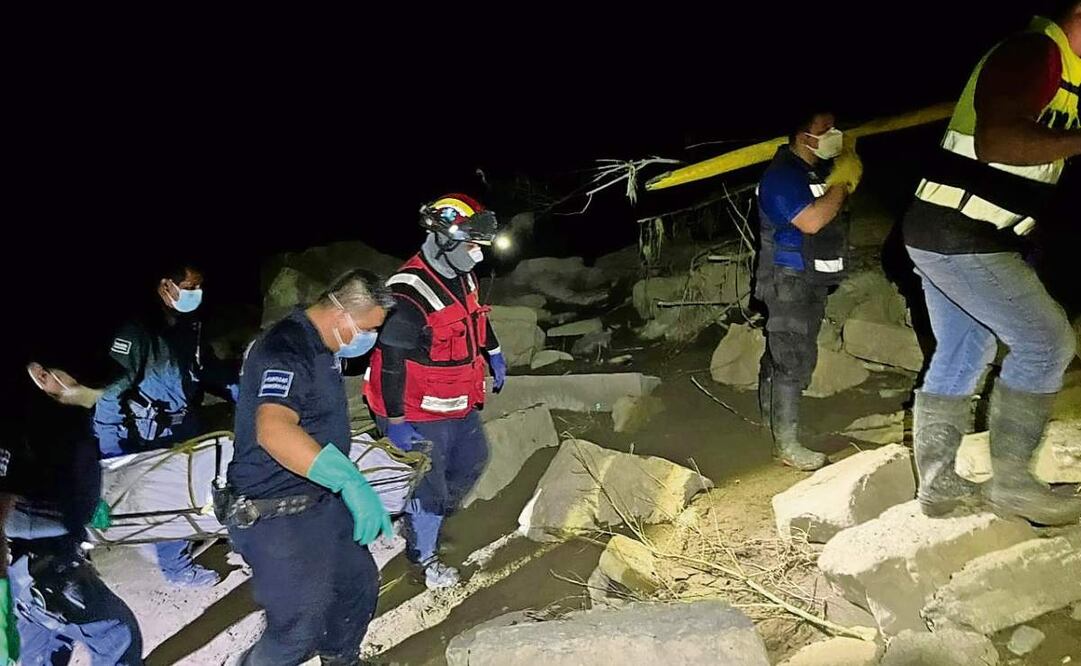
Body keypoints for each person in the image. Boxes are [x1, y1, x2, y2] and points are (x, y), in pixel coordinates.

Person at [902, 2, 1081, 523]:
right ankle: (1013, 485)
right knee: (1047, 342)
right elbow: (995, 140)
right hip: (959, 231)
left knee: (966, 344)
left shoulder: (1067, 75)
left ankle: (938, 487)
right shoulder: (1033, 53)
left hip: (945, 230)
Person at [224, 269, 394, 666]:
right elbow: (274, 430)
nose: (370, 340)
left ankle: (340, 657)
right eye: (368, 329)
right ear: (341, 315)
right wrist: (349, 479)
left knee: (357, 587)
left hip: (318, 500)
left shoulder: (324, 346)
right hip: (274, 512)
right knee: (298, 629)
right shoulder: (285, 349)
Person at [33, 263, 237, 587]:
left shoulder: (187, 325)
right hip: (150, 433)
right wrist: (113, 454)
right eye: (190, 287)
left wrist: (239, 390)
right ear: (166, 286)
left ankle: (215, 531)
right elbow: (110, 398)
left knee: (206, 482)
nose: (196, 294)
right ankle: (177, 567)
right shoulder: (135, 334)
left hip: (184, 422)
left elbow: (203, 367)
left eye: (200, 286)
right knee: (168, 502)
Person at [364, 194, 505, 589]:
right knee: (429, 485)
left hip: (455, 401)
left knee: (475, 459)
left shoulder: (463, 275)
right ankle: (421, 559)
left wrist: (492, 351)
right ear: (443, 238)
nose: (478, 253)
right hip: (415, 407)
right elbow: (390, 362)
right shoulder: (407, 293)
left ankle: (425, 519)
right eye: (472, 244)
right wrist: (395, 421)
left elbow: (474, 315)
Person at [1, 363, 143, 665]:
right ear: (41, 373)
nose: (91, 385)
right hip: (43, 567)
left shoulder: (59, 410)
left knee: (43, 640)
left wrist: (86, 505)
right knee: (118, 633)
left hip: (35, 569)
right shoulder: (16, 421)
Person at [755, 110, 863, 471]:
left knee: (782, 356)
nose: (834, 134)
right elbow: (813, 220)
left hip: (805, 278)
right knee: (791, 361)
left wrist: (837, 178)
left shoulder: (810, 173)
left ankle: (778, 427)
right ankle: (786, 445)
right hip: (787, 279)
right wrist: (843, 183)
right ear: (804, 136)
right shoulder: (782, 176)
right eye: (825, 130)